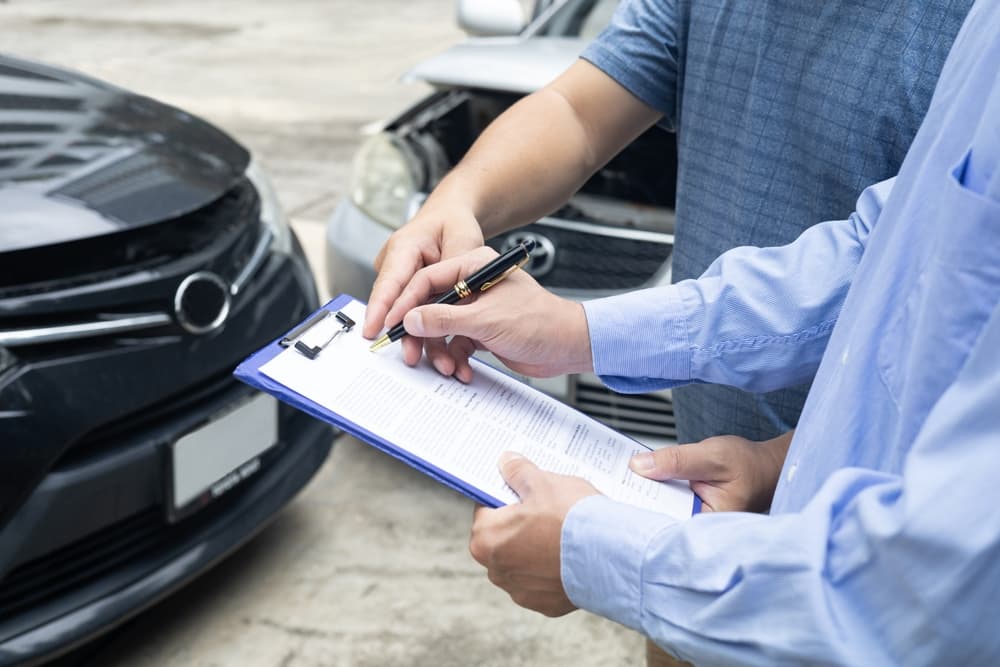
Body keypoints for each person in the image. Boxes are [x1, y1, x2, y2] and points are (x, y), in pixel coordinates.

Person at [379, 1, 1000, 662]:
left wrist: (602, 550)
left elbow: (932, 597)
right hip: (702, 507)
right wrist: (572, 322)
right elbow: (885, 251)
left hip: (803, 571)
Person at [365, 0, 971, 450]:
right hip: (695, 491)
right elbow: (576, 112)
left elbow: (900, 270)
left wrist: (579, 331)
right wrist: (456, 202)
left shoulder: (973, 28)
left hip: (858, 522)